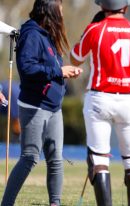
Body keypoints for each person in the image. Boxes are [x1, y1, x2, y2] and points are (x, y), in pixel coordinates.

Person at [70, 0, 130, 205]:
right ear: (125, 7)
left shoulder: (94, 29)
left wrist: (90, 30)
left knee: (99, 159)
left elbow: (75, 59)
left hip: (99, 98)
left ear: (102, 6)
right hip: (128, 101)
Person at [1, 0, 83, 205]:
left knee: (56, 159)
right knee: (29, 158)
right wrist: (58, 72)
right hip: (34, 106)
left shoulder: (48, 34)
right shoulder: (31, 34)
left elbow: (51, 66)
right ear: (50, 10)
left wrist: (64, 74)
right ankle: (6, 203)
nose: (62, 12)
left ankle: (55, 202)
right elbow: (27, 69)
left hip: (53, 107)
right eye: (60, 7)